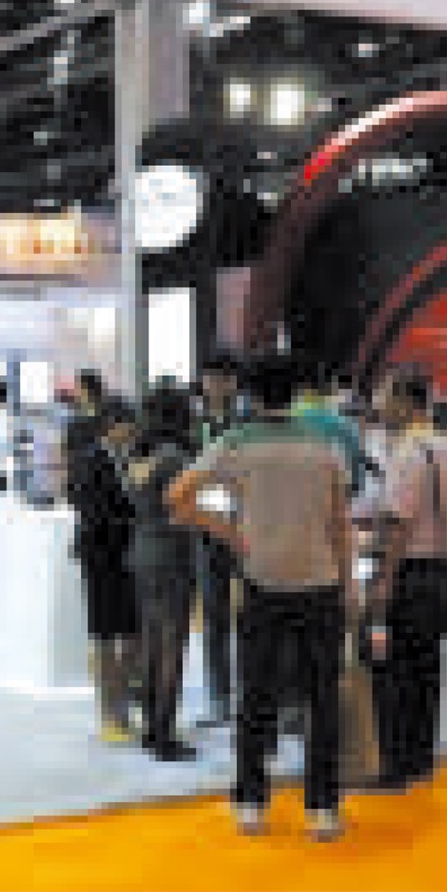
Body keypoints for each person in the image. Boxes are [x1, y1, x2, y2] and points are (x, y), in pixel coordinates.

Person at [168, 353, 355, 843]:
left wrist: (230, 533)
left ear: (251, 394)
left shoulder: (236, 442)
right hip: (320, 582)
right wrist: (350, 586)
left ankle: (250, 803)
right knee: (322, 699)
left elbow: (177, 497)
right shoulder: (326, 445)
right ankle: (323, 809)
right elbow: (342, 523)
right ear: (296, 393)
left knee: (255, 695)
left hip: (261, 581)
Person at [359, 372, 447, 792]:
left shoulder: (406, 453)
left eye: (383, 397)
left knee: (392, 671)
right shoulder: (444, 447)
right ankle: (419, 761)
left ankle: (394, 768)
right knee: (426, 671)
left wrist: (382, 579)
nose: (378, 406)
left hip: (407, 573)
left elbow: (398, 523)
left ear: (404, 400)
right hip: (438, 572)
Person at [127, 384, 202, 761]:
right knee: (172, 643)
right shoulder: (176, 457)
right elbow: (188, 507)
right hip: (173, 551)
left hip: (142, 547)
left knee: (151, 639)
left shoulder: (138, 455)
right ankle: (163, 733)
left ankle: (150, 728)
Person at [69, 398, 141, 745]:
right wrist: (133, 522)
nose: (133, 431)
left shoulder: (124, 459)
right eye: (128, 424)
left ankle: (122, 711)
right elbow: (93, 514)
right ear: (112, 425)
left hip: (124, 558)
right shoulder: (91, 461)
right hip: (100, 558)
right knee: (105, 638)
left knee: (129, 636)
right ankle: (109, 716)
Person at [194, 352, 248, 728]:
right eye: (211, 378)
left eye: (224, 379)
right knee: (213, 616)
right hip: (206, 527)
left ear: (234, 383)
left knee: (251, 614)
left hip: (245, 527)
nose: (217, 386)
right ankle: (219, 700)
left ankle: (251, 694)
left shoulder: (248, 422)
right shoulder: (193, 422)